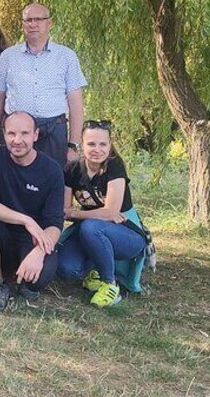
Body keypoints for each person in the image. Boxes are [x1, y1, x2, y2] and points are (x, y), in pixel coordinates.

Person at [0, 111, 64, 311]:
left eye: (24, 133)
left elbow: (55, 224)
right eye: (11, 133)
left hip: (33, 238)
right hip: (1, 231)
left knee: (36, 282)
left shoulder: (52, 170)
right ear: (4, 134)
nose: (17, 140)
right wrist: (25, 220)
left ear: (35, 135)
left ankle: (22, 274)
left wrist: (39, 252)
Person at [57, 120, 149, 307]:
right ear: (82, 144)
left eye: (102, 144)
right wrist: (96, 214)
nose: (97, 149)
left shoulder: (115, 167)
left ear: (109, 145)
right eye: (91, 144)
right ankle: (96, 270)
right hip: (90, 230)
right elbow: (65, 211)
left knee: (92, 227)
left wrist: (79, 214)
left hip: (126, 233)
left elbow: (111, 212)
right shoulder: (72, 169)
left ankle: (110, 284)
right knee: (66, 268)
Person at [0, 2, 87, 169]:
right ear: (23, 24)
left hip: (53, 131)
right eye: (28, 20)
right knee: (12, 182)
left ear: (49, 23)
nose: (32, 24)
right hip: (16, 132)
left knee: (53, 181)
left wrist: (73, 145)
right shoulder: (8, 56)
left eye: (38, 20)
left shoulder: (66, 56)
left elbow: (76, 104)